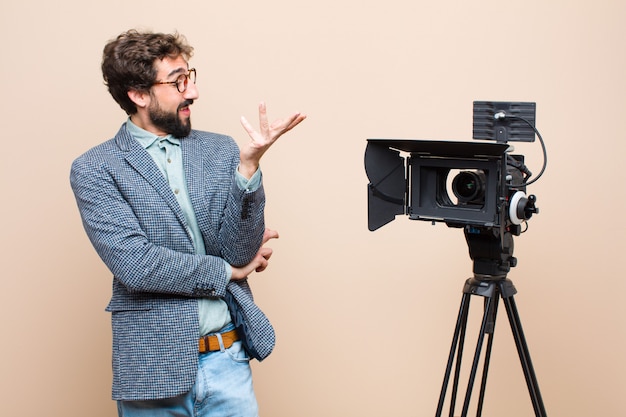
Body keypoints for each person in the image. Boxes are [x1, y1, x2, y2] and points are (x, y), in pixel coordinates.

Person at [69, 29, 306, 417]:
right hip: (152, 369)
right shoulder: (96, 169)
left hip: (228, 359)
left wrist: (248, 169)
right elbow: (137, 265)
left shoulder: (220, 149)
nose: (192, 92)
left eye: (190, 77)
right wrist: (228, 271)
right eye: (178, 81)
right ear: (139, 94)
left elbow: (240, 251)